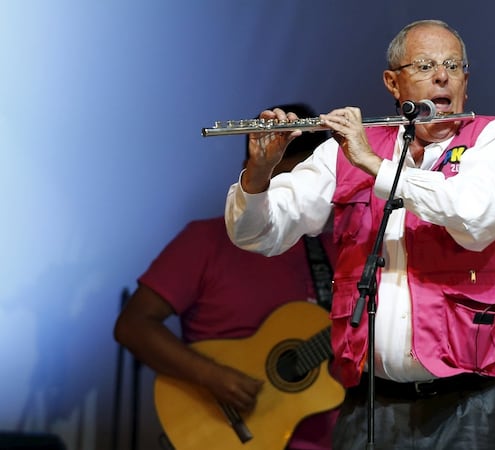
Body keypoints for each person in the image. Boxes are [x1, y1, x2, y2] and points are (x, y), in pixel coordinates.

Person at [225, 19, 495, 450]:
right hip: (370, 398)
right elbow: (260, 235)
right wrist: (259, 173)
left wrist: (375, 164)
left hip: (470, 399)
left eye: (453, 66)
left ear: (465, 78)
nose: (442, 76)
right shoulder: (346, 149)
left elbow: (477, 216)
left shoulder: (489, 138)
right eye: (424, 66)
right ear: (393, 82)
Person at [113, 103, 339, 450]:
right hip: (223, 428)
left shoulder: (335, 247)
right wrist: (211, 376)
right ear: (250, 172)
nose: (291, 196)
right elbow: (134, 325)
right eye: (279, 179)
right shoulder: (204, 240)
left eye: (303, 183)